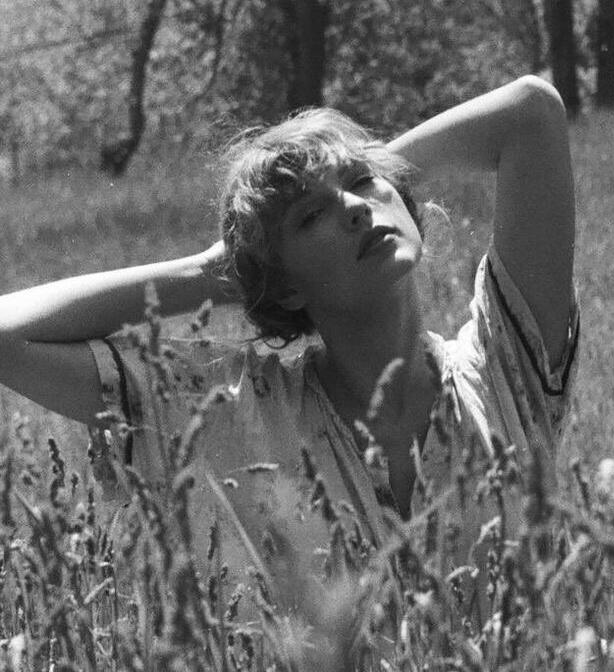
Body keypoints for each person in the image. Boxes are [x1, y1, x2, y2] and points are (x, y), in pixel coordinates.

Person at [0, 75, 578, 617]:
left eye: (361, 183)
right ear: (285, 285)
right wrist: (215, 271)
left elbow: (530, 111)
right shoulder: (233, 410)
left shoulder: (503, 370)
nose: (356, 208)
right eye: (311, 215)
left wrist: (373, 172)